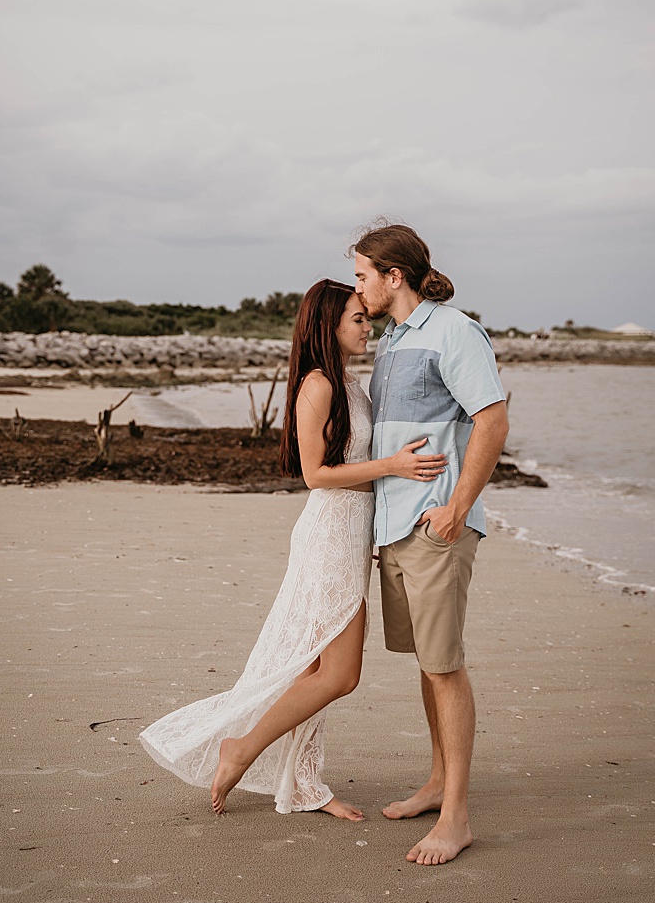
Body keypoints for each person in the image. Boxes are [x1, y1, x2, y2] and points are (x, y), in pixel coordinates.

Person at [139, 280, 447, 818]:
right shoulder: (318, 385)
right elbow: (316, 475)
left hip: (353, 534)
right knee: (340, 674)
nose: (367, 326)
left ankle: (302, 782)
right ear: (328, 325)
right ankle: (240, 748)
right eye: (356, 319)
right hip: (329, 534)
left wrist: (385, 524)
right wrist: (394, 466)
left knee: (314, 670)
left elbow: (355, 469)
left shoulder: (349, 384)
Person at [350, 223, 509, 867]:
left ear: (395, 276)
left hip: (434, 525)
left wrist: (456, 510)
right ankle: (439, 781)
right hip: (396, 525)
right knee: (427, 661)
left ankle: (456, 817)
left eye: (363, 275)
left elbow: (492, 419)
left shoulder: (453, 331)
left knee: (444, 666)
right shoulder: (391, 338)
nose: (358, 288)